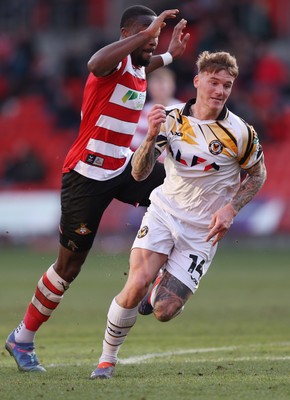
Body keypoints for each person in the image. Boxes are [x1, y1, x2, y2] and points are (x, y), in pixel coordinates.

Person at [5, 5, 190, 372]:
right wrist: (148, 34)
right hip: (85, 177)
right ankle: (22, 338)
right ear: (127, 36)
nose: (150, 45)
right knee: (68, 268)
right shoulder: (109, 66)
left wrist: (170, 53)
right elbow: (94, 62)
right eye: (146, 38)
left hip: (122, 168)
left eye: (152, 40)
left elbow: (145, 66)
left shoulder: (137, 68)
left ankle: (159, 281)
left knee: (177, 193)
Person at [90, 50, 267, 379]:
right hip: (164, 214)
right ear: (198, 82)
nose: (219, 91)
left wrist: (232, 208)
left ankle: (161, 289)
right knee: (136, 283)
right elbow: (140, 174)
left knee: (164, 311)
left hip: (203, 232)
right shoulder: (171, 119)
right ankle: (106, 360)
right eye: (213, 82)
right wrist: (149, 137)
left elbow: (258, 175)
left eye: (226, 85)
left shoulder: (240, 132)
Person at [131, 66, 181, 158]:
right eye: (157, 82)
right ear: (149, 87)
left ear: (173, 85)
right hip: (150, 164)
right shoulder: (142, 113)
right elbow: (135, 146)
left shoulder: (183, 111)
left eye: (165, 81)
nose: (161, 86)